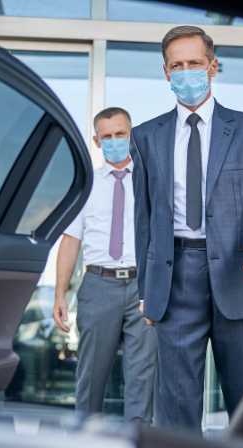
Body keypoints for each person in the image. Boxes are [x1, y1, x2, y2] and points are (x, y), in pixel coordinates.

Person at [130, 26, 243, 432]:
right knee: (177, 410)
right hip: (174, 278)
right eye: (177, 65)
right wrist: (147, 291)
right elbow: (144, 219)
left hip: (240, 277)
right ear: (166, 73)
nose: (187, 72)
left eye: (195, 63)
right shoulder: (145, 137)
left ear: (213, 66)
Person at [53, 107, 157, 424]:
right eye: (107, 136)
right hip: (99, 285)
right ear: (97, 142)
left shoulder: (153, 182)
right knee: (91, 376)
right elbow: (71, 241)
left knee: (142, 378)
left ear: (132, 135)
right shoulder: (85, 186)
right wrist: (60, 294)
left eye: (120, 134)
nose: (114, 141)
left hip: (144, 285)